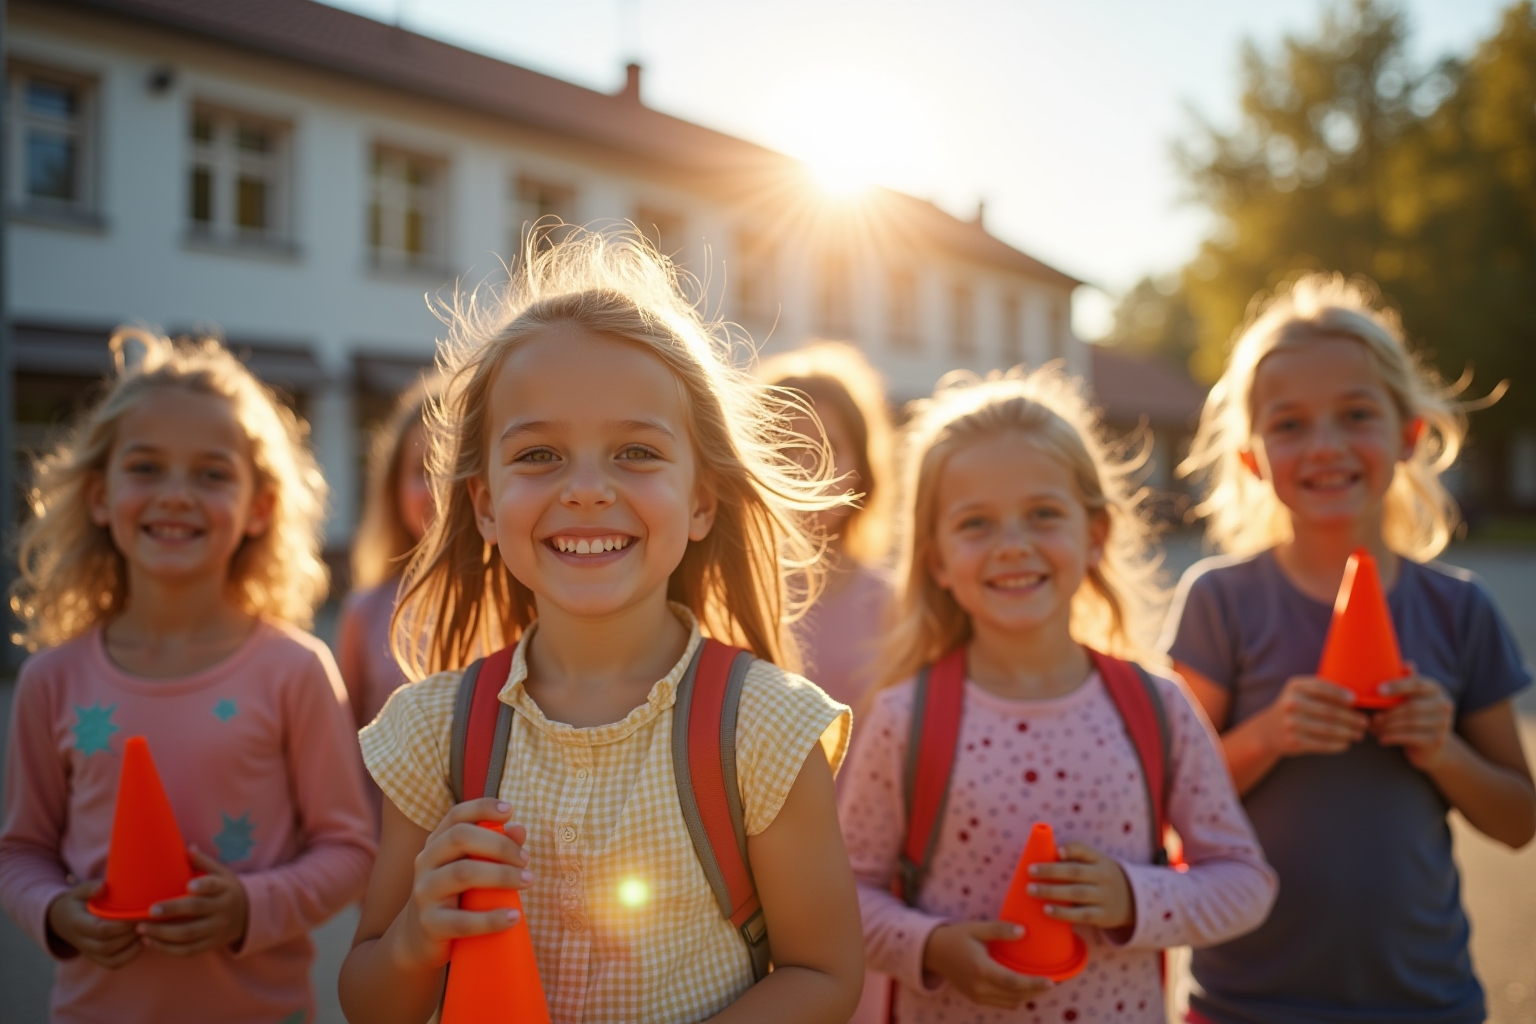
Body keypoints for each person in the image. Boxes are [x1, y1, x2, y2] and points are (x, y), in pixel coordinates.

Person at [338, 227, 864, 1024]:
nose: (586, 490)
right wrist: (417, 935)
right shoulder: (431, 731)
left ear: (700, 500)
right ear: (484, 505)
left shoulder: (764, 728)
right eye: (540, 456)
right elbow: (369, 999)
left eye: (636, 453)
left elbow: (824, 976)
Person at [839, 370, 1276, 1023]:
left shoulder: (1158, 706)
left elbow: (1245, 883)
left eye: (1043, 514)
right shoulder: (905, 718)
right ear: (936, 560)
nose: (1013, 546)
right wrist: (931, 946)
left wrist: (1135, 898)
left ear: (1094, 534)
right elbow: (846, 897)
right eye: (976, 523)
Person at [1163, 273, 1535, 1024]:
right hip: (1244, 1003)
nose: (1324, 445)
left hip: (1426, 1002)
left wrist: (1443, 750)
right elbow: (1161, 803)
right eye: (1290, 424)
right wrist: (1270, 735)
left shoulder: (1460, 609)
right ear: (1251, 457)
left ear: (1408, 436)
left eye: (1355, 414)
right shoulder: (1219, 602)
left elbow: (1518, 819)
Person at [0, 330, 376, 1024]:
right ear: (99, 496)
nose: (177, 495)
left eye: (211, 474)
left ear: (259, 507)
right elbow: (19, 853)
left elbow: (349, 850)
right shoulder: (51, 679)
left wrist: (249, 908)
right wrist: (56, 912)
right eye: (145, 468)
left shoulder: (294, 670)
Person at [759, 341, 895, 711]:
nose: (809, 471)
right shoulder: (724, 594)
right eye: (787, 447)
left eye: (828, 448)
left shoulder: (892, 603)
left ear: (861, 469)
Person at [336, 377, 437, 827]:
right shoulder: (366, 612)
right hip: (393, 868)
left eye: (460, 466)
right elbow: (342, 753)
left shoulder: (531, 605)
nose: (442, 487)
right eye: (423, 470)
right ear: (394, 489)